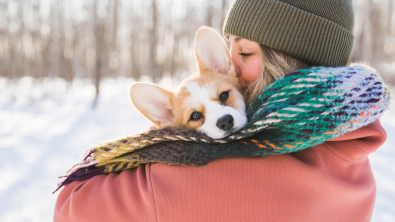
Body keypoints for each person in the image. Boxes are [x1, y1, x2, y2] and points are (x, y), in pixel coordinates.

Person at [54, 0, 387, 221]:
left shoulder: (216, 177)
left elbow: (72, 204)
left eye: (244, 52)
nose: (232, 67)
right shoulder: (356, 164)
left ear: (283, 59)